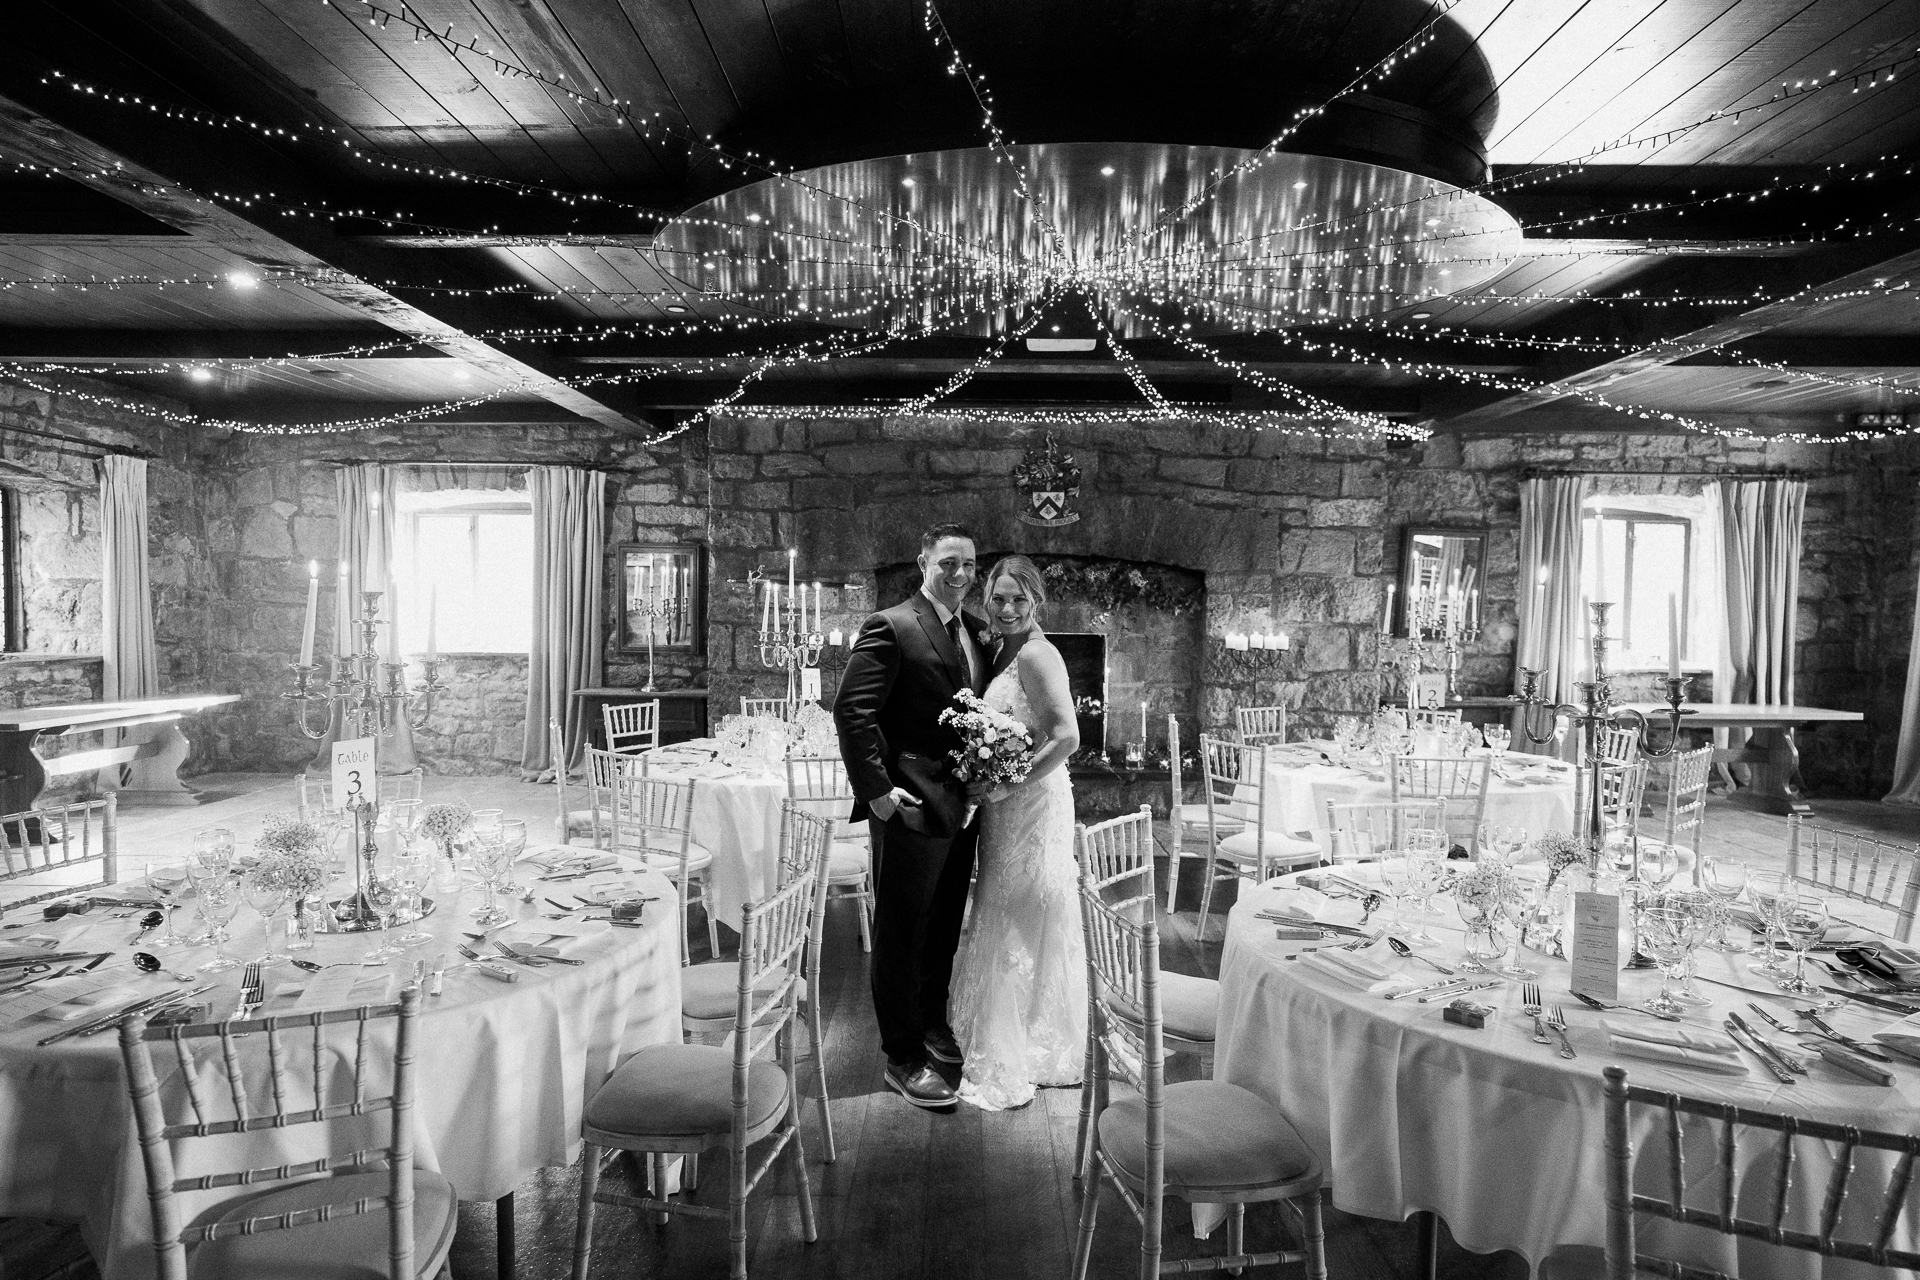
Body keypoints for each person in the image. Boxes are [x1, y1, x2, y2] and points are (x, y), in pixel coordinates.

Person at [833, 523, 993, 1109]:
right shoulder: (892, 625)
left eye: (969, 565)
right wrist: (876, 794)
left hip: (960, 807)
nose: (960, 575)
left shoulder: (973, 631)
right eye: (948, 562)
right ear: (923, 560)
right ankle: (902, 1058)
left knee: (943, 925)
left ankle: (931, 1024)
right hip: (907, 805)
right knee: (900, 934)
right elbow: (852, 710)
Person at [948, 554, 1085, 1110]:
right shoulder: (1000, 647)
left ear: (1036, 603)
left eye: (1018, 600)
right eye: (998, 599)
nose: (1007, 609)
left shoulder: (1037, 654)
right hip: (1007, 804)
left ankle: (1033, 1034)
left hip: (1031, 804)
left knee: (1027, 904)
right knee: (1004, 901)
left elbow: (1068, 736)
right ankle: (1005, 1019)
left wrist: (1007, 785)